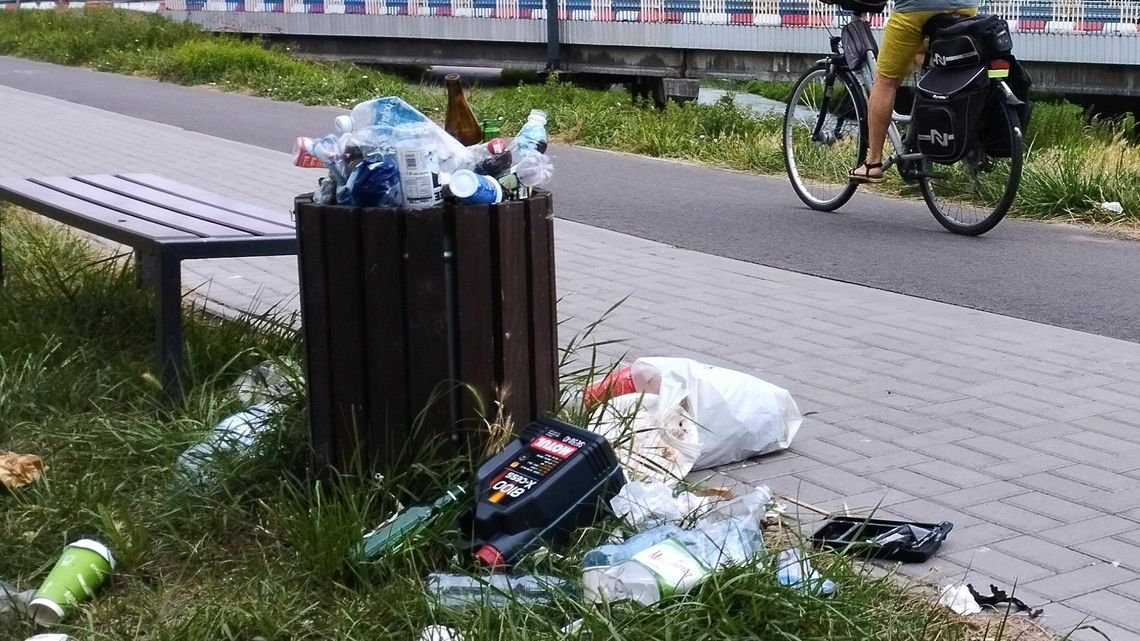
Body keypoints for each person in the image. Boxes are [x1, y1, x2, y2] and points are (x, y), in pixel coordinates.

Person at [848, 0, 980, 184]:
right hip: (966, 7)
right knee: (921, 52)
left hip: (917, 8)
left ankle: (872, 164)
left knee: (885, 82)